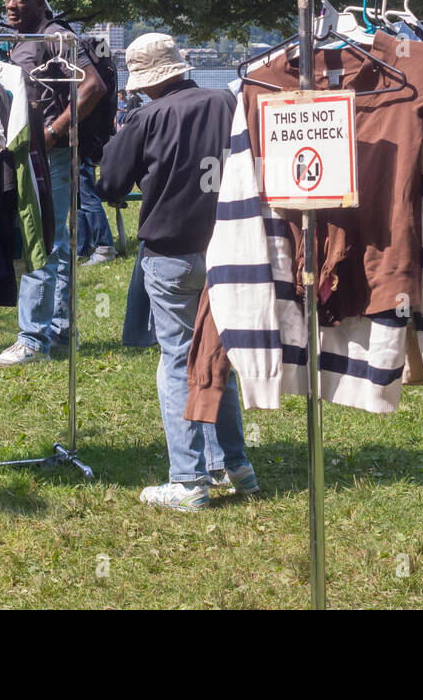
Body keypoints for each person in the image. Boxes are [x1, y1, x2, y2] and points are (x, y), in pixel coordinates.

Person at [97, 32, 256, 511]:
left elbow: (109, 183)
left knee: (177, 362)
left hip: (169, 252)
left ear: (146, 80)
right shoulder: (228, 103)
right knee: (216, 357)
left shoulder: (148, 116)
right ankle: (234, 465)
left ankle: (188, 480)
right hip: (227, 247)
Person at [0, 0, 107, 367]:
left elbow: (92, 86)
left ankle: (32, 339)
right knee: (54, 242)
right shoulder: (28, 40)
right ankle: (58, 332)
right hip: (39, 154)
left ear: (40, 2)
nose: (10, 4)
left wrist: (54, 133)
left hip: (52, 156)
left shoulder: (55, 35)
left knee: (39, 240)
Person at [76, 155, 117, 264]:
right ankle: (82, 249)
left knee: (87, 197)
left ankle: (105, 248)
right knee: (79, 199)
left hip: (80, 150)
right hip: (82, 150)